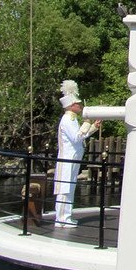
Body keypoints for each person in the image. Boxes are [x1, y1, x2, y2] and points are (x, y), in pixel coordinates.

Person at [53, 80, 100, 228]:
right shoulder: (67, 119)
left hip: (72, 159)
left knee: (70, 186)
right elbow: (76, 137)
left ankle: (66, 216)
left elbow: (79, 136)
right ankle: (61, 218)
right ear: (71, 105)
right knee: (64, 188)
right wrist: (87, 124)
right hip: (67, 159)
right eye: (78, 103)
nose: (80, 106)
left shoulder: (71, 119)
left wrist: (92, 127)